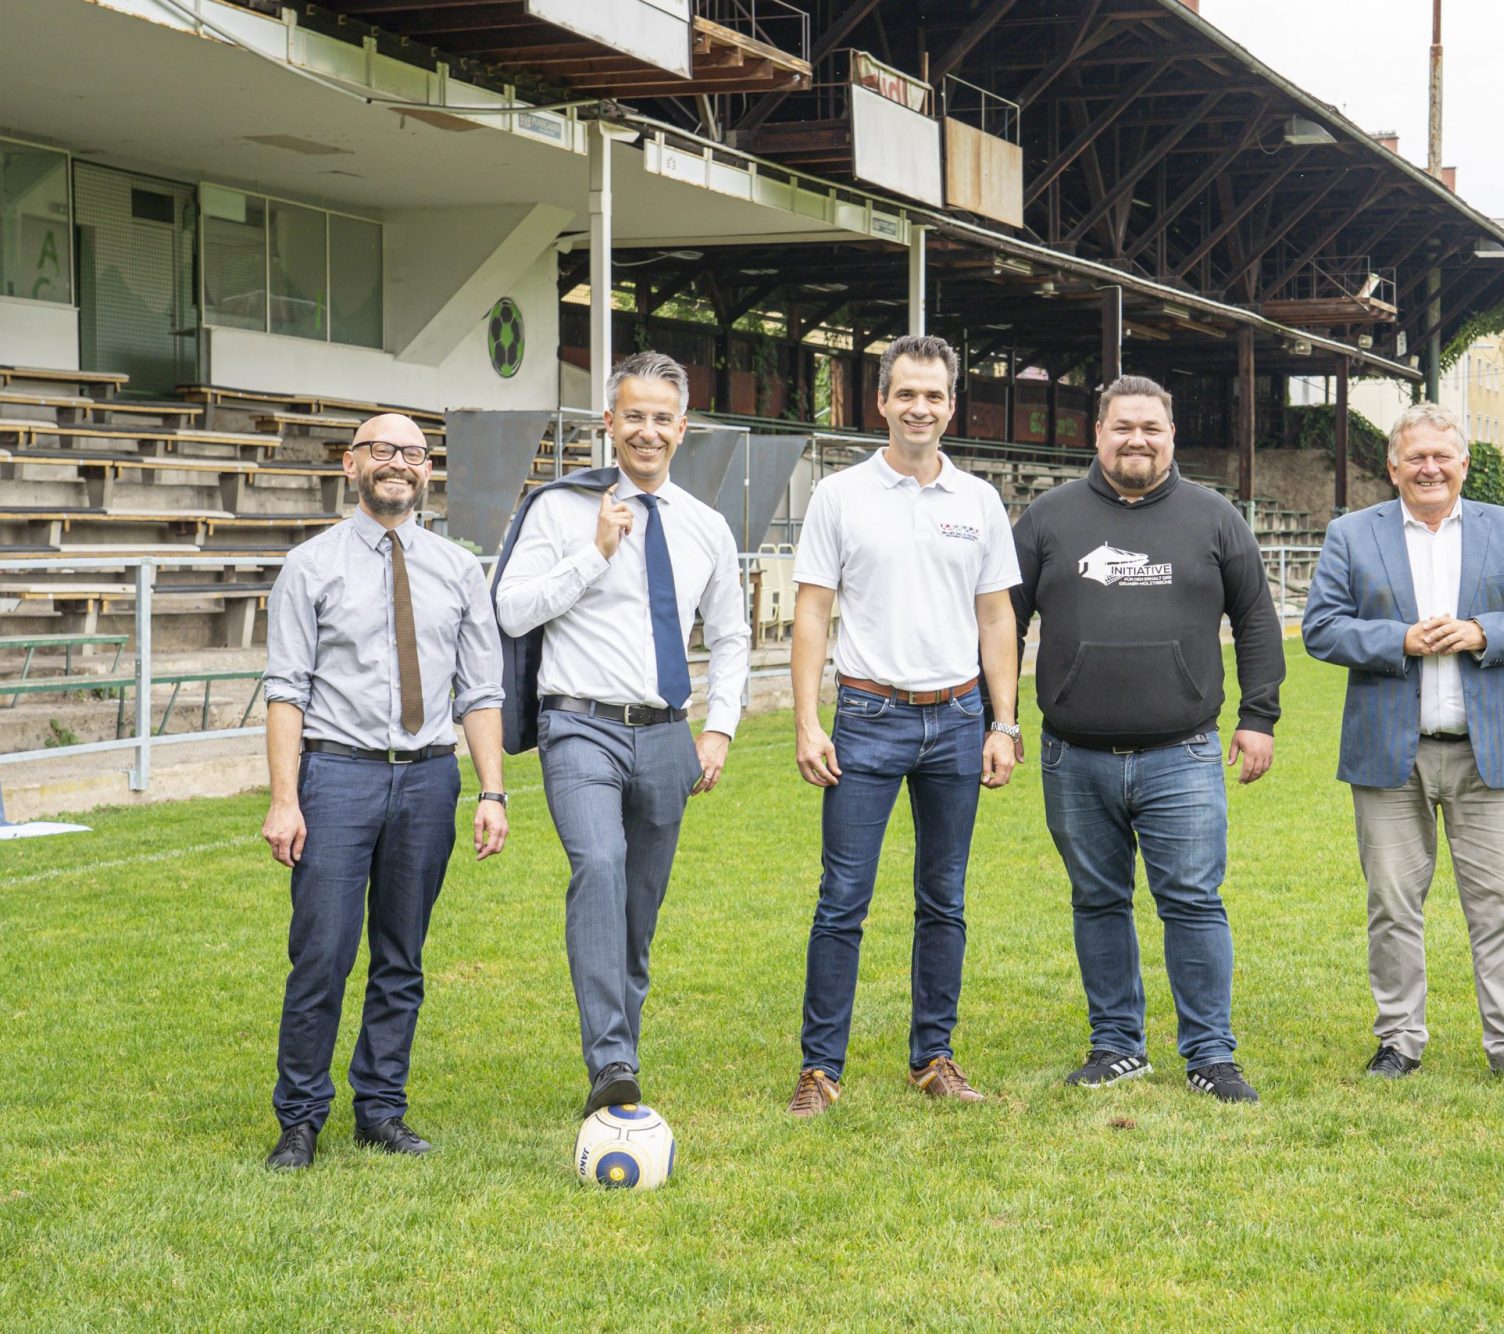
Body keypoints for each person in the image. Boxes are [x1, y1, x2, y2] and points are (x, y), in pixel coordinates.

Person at [1010, 374, 1282, 1103]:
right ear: (1096, 434)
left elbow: (1256, 619)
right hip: (1074, 755)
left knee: (1192, 902)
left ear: (1171, 437)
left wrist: (1259, 717)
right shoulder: (1048, 520)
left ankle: (1210, 1055)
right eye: (1123, 426)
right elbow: (1000, 624)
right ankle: (1116, 1045)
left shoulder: (1214, 518)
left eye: (1151, 428)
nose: (1137, 439)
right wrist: (997, 721)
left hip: (1183, 754)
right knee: (1097, 901)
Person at [493, 351, 749, 1115]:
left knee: (638, 913)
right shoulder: (559, 510)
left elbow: (731, 637)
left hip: (669, 736)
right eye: (631, 415)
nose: (646, 430)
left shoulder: (705, 527)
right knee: (599, 865)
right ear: (608, 423)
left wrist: (720, 730)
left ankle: (619, 1060)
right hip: (580, 725)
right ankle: (609, 1061)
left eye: (660, 417)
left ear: (683, 427)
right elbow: (509, 611)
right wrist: (594, 552)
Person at [260, 413, 509, 1170]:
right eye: (381, 450)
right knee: (323, 955)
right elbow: (284, 690)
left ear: (426, 471)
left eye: (412, 452)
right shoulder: (309, 566)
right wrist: (284, 797)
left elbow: (482, 690)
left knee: (402, 955)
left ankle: (381, 1110)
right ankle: (300, 1120)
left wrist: (492, 792)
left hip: (431, 779)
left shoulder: (459, 569)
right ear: (351, 464)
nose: (397, 463)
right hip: (337, 775)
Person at [785, 333, 1022, 1117]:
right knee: (842, 899)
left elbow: (997, 620)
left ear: (952, 406)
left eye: (934, 395)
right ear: (881, 401)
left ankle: (934, 1057)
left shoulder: (980, 501)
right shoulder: (840, 496)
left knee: (943, 899)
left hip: (957, 719)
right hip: (866, 717)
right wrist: (808, 722)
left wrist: (1004, 723)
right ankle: (820, 1070)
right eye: (906, 393)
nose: (919, 407)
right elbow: (812, 613)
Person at [1302, 402, 1504, 1086]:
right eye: (1415, 457)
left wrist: (1486, 633)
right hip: (1389, 752)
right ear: (1392, 467)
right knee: (1392, 904)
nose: (1429, 468)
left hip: (1489, 752)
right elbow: (1321, 628)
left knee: (1501, 902)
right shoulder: (1352, 534)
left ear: (1464, 465)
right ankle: (1399, 1041)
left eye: (1441, 457)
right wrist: (1397, 640)